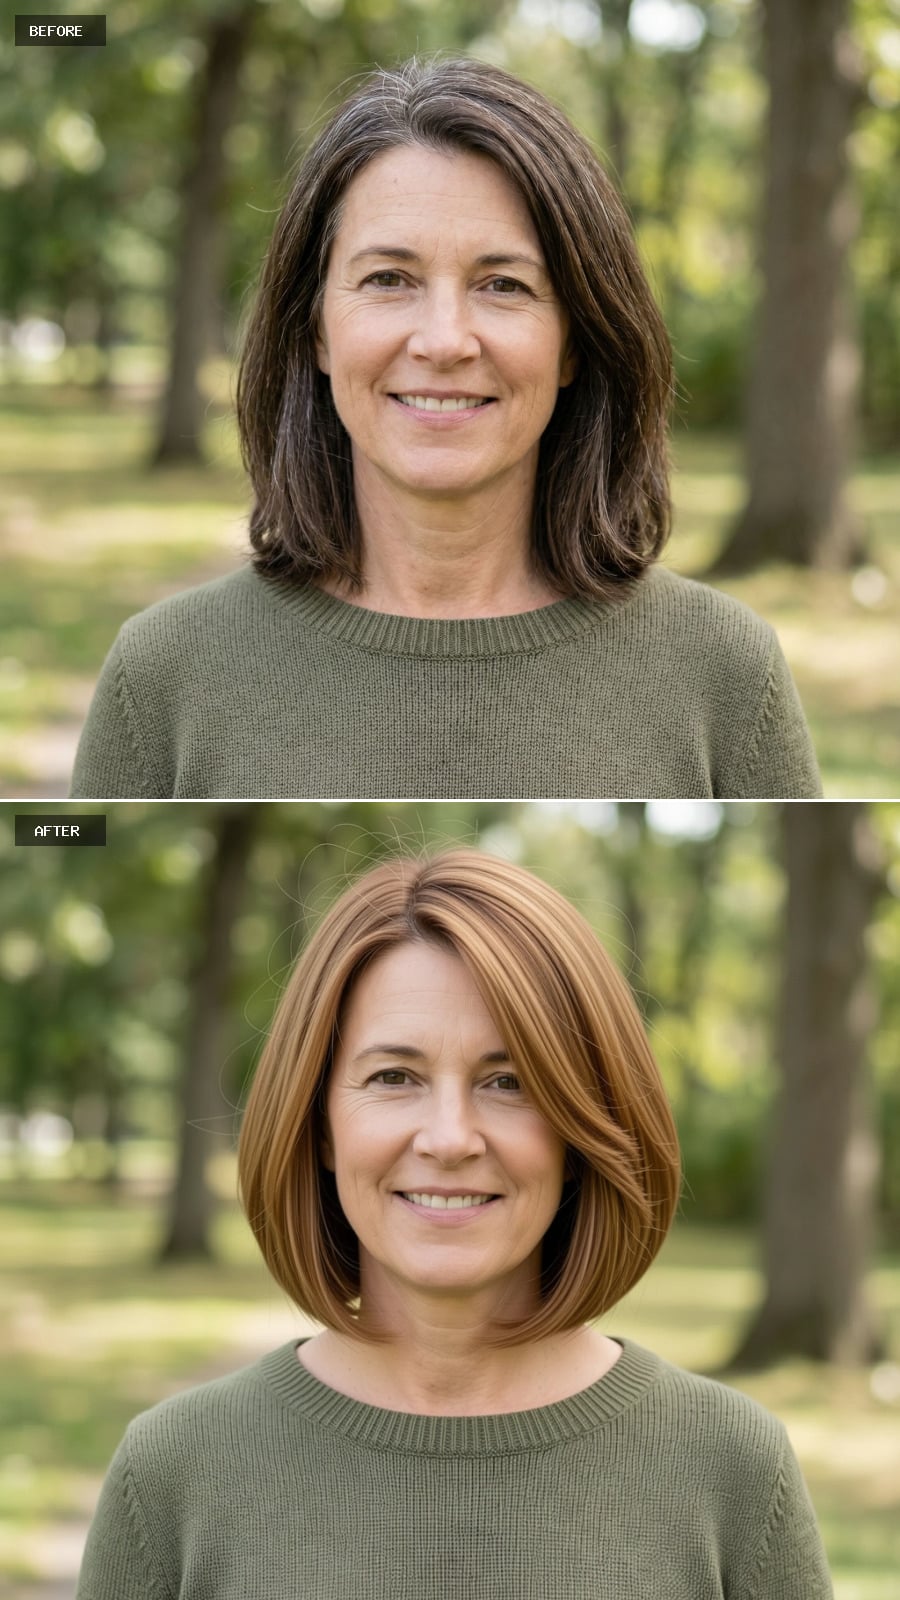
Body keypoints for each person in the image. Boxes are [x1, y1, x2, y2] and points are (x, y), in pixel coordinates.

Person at [76, 849, 833, 1599]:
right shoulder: (173, 1471)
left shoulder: (731, 1469)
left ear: (579, 1132)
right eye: (393, 1077)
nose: (448, 1138)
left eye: (509, 1082)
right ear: (322, 1125)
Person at [70, 57, 821, 801]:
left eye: (504, 285)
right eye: (388, 279)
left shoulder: (723, 670)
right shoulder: (162, 674)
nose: (443, 340)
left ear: (574, 342)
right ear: (317, 331)